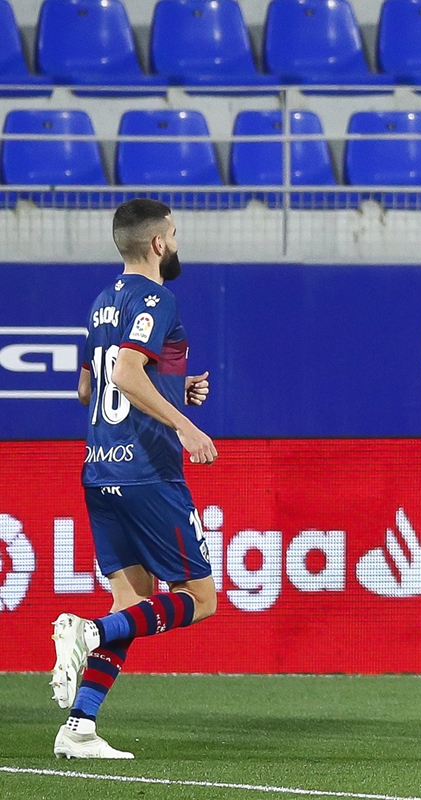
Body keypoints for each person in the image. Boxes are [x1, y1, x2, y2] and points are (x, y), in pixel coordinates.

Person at [50, 198, 219, 760]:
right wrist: (186, 424)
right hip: (148, 472)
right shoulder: (159, 298)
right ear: (158, 243)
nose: (175, 239)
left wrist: (174, 388)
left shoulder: (102, 304)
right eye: (173, 232)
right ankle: (89, 633)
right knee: (200, 599)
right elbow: (124, 373)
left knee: (133, 598)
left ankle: (79, 727)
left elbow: (86, 389)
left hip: (99, 470)